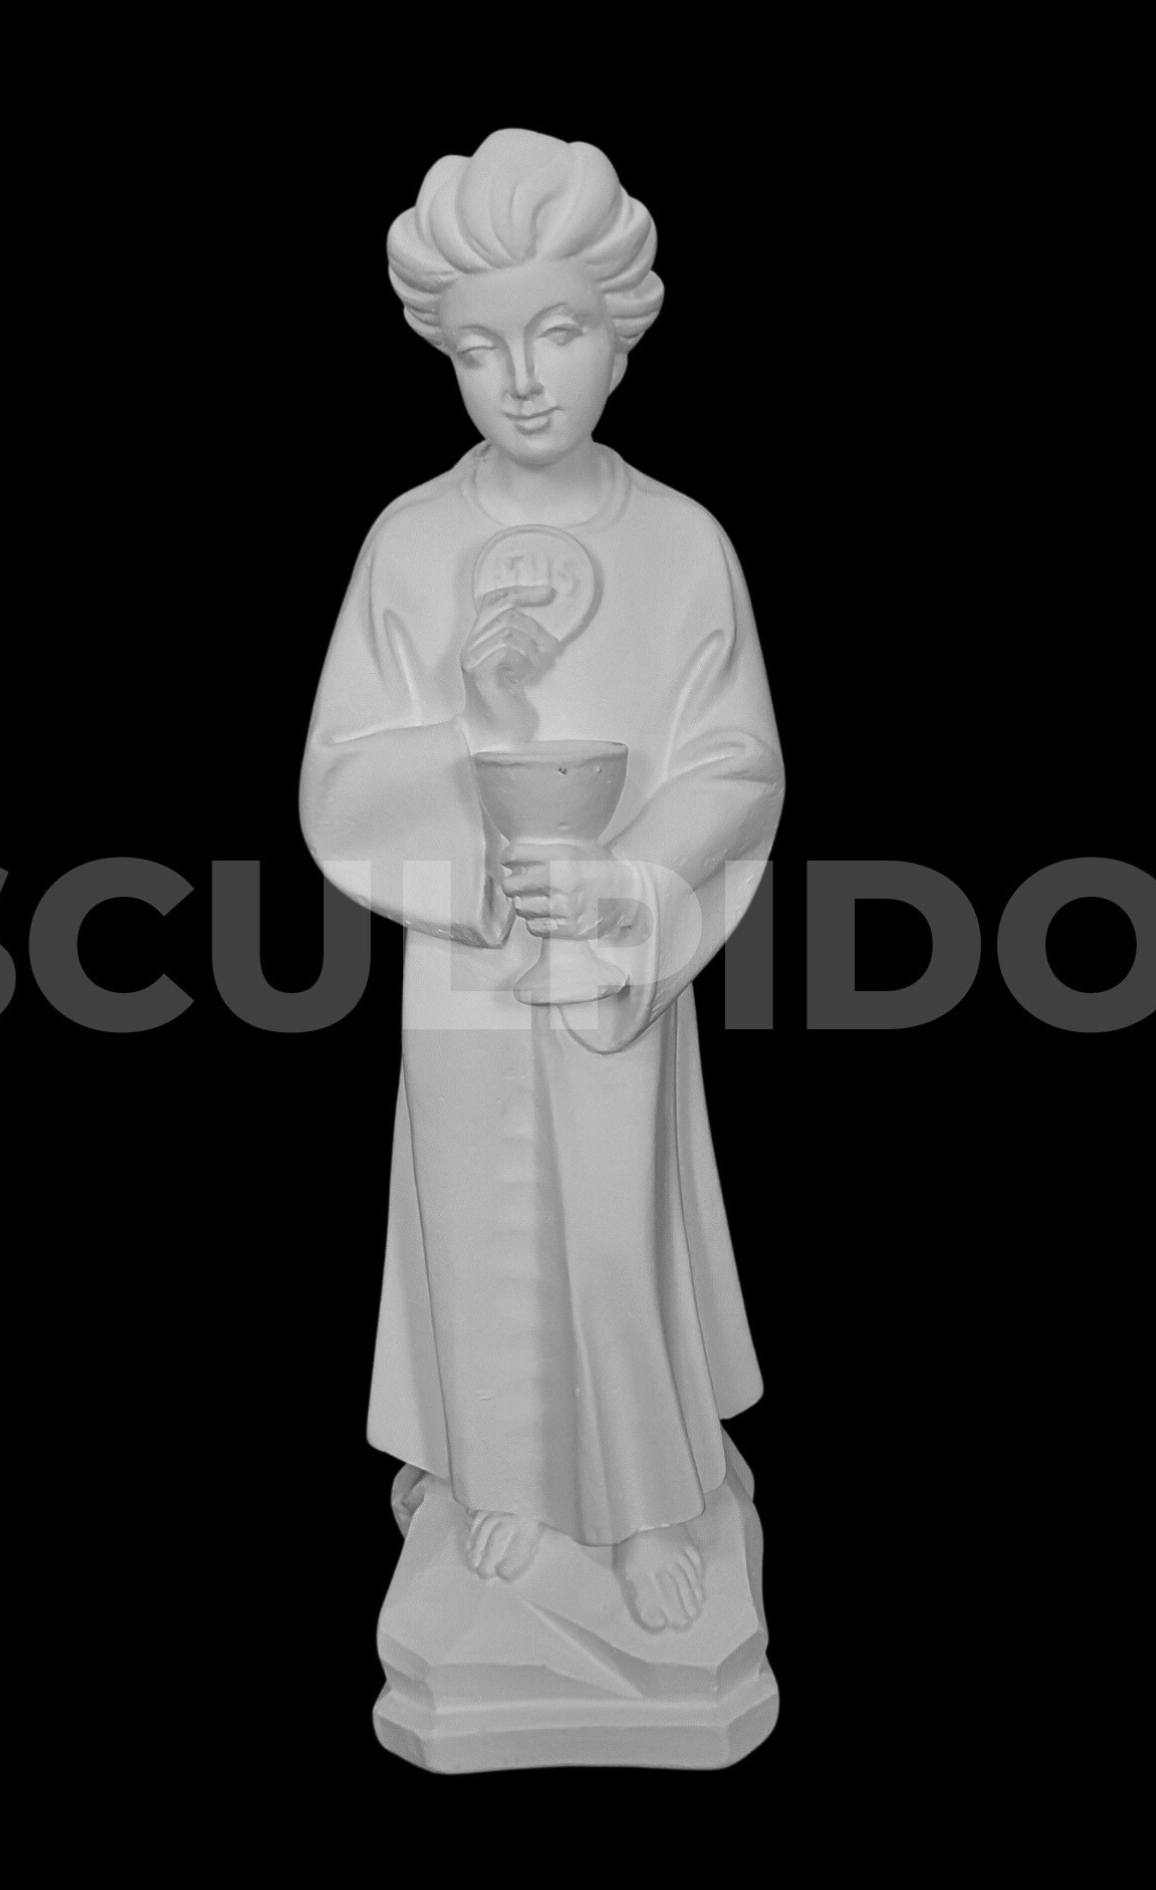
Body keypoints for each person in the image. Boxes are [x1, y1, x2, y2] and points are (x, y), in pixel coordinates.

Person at [300, 129, 783, 1632]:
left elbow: (736, 767)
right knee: (479, 1219)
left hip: (612, 961)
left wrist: (632, 883)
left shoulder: (681, 545)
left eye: (557, 333)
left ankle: (643, 1501)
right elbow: (339, 780)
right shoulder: (413, 542)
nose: (520, 381)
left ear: (620, 333)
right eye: (479, 349)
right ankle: (499, 1482)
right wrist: (472, 722)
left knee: (613, 1230)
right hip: (467, 955)